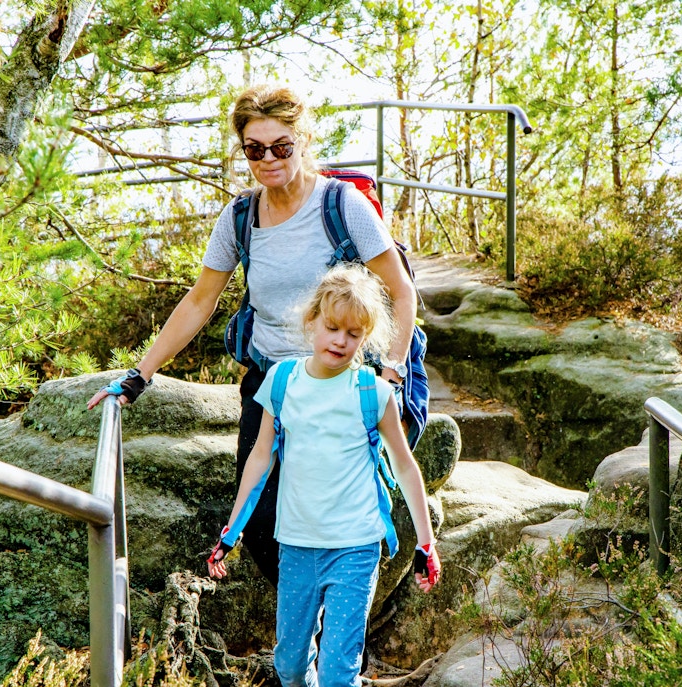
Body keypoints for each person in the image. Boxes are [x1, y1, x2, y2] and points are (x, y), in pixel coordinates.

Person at [86, 85, 418, 588]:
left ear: (304, 140)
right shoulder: (240, 217)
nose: (269, 159)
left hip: (343, 382)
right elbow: (200, 300)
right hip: (273, 384)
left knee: (342, 523)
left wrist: (391, 371)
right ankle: (309, 638)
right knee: (261, 526)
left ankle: (340, 652)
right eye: (254, 149)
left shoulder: (341, 204)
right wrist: (140, 374)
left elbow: (401, 291)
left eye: (282, 146)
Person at [206, 265, 441, 687]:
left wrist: (426, 543)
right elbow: (260, 459)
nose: (340, 340)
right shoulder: (282, 381)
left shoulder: (375, 394)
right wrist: (232, 529)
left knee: (338, 673)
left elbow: (405, 466)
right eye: (332, 327)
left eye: (354, 333)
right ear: (311, 320)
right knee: (291, 667)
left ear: (366, 338)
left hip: (355, 548)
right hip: (297, 545)